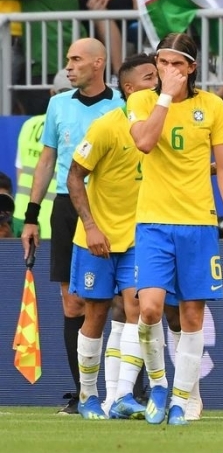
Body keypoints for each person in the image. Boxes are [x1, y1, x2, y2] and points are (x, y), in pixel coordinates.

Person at [127, 32, 223, 426]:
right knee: (150, 308)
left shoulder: (212, 105)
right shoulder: (142, 101)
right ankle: (160, 384)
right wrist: (165, 97)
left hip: (198, 223)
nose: (169, 70)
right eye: (163, 62)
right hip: (154, 222)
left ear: (192, 68)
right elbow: (144, 142)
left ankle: (183, 399)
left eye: (177, 64)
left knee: (192, 316)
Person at [20, 38, 124, 415]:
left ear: (98, 63)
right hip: (66, 205)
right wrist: (32, 216)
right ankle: (83, 393)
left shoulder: (123, 104)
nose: (69, 66)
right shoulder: (58, 104)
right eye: (68, 60)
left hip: (111, 203)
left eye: (76, 59)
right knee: (73, 301)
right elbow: (47, 160)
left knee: (121, 301)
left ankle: (127, 391)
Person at [66, 53, 158, 420]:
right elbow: (75, 176)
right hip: (99, 239)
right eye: (150, 77)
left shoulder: (159, 126)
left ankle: (121, 395)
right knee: (96, 314)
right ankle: (89, 396)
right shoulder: (106, 126)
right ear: (130, 88)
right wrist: (91, 226)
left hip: (139, 239)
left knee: (138, 310)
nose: (158, 82)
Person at [13, 70, 73, 241]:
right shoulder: (72, 128)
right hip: (57, 215)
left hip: (24, 212)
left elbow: (20, 172)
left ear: (52, 93)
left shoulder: (29, 125)